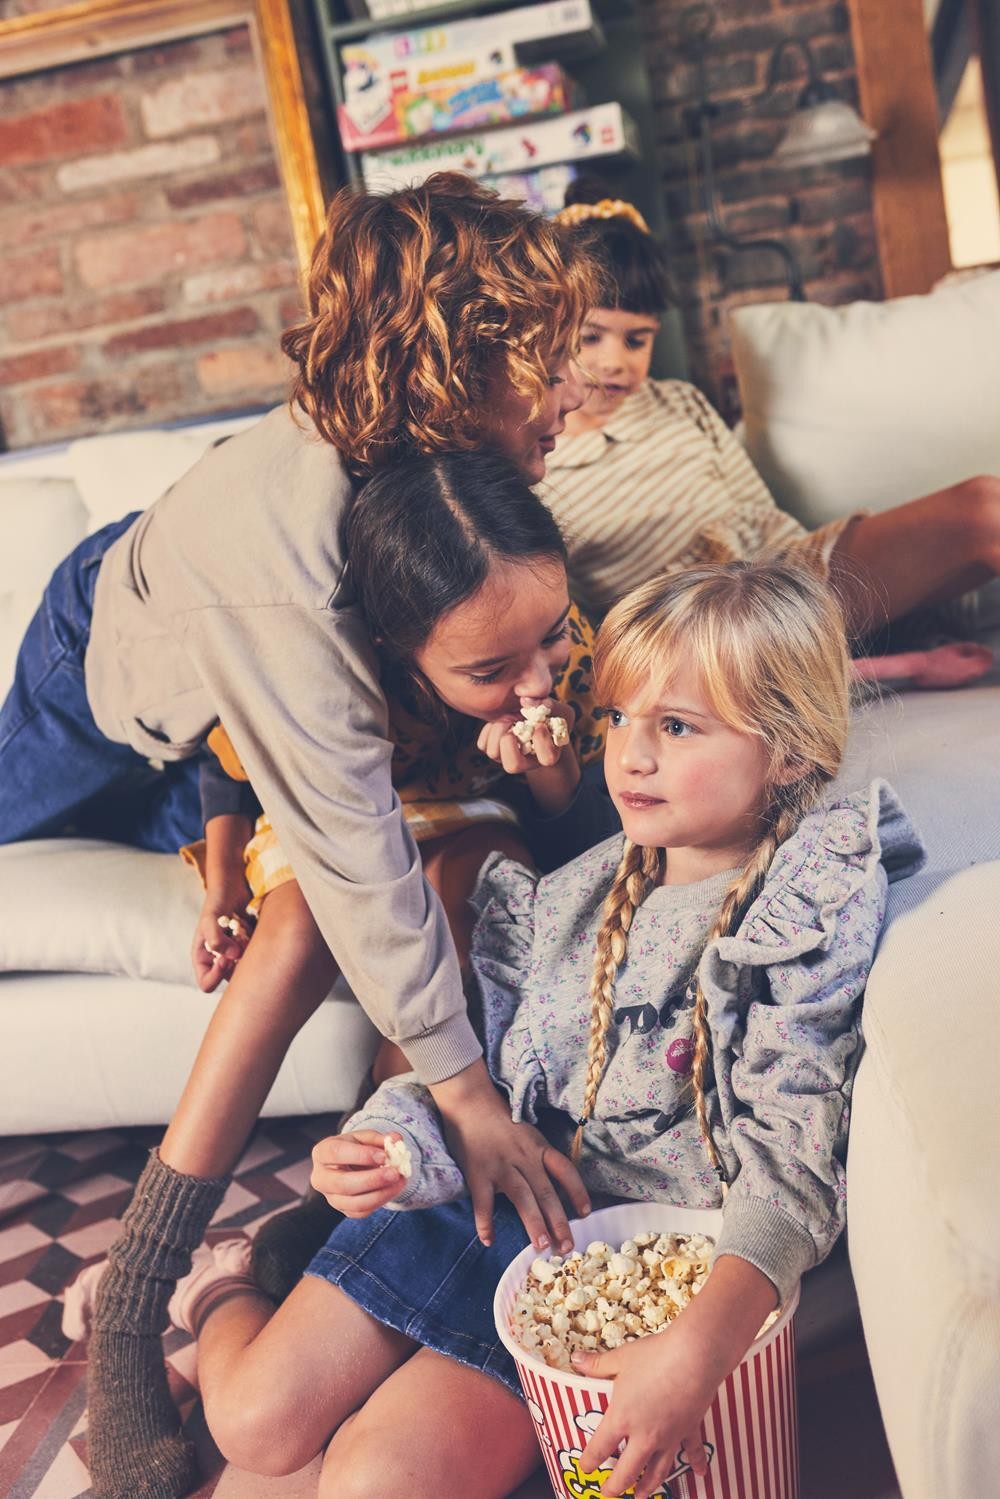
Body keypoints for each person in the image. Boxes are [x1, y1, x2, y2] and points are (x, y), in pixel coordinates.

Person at [1, 174, 600, 1499]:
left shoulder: (448, 492)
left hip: (226, 709)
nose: (570, 399)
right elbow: (347, 839)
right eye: (546, 371)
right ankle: (138, 1295)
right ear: (447, 372)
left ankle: (317, 1255)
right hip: (101, 666)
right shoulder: (279, 566)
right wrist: (470, 1099)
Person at [147, 559, 923, 1499]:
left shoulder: (809, 893)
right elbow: (492, 1079)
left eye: (675, 726)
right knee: (254, 1423)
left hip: (612, 1282)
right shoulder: (581, 890)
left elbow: (792, 1153)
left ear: (792, 749)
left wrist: (689, 1353)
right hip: (478, 1208)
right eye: (621, 718)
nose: (629, 755)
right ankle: (228, 1281)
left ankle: (360, 1359)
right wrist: (389, 1144)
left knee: (372, 1480)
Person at [545, 185, 998, 687]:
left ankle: (868, 653)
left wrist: (821, 587)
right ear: (552, 327)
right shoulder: (540, 461)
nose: (615, 362)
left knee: (985, 505)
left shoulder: (678, 401)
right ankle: (880, 667)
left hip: (788, 582)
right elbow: (596, 640)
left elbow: (765, 518)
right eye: (591, 336)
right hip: (701, 638)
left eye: (637, 340)